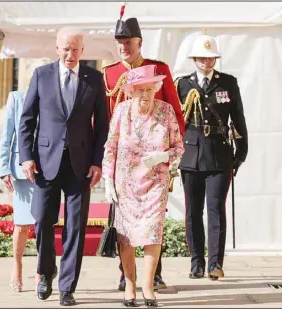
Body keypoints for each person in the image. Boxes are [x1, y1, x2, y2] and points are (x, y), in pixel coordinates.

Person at [19, 27, 109, 306]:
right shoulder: (41, 75)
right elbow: (26, 120)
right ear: (57, 48)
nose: (70, 54)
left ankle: (68, 286)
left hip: (80, 165)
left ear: (83, 50)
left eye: (75, 49)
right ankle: (46, 272)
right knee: (43, 221)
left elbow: (102, 125)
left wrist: (97, 162)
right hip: (45, 164)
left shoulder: (94, 79)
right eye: (65, 49)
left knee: (76, 227)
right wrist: (26, 157)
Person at [102, 10, 185, 291]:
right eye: (120, 42)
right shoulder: (110, 73)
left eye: (129, 42)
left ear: (140, 42)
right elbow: (105, 119)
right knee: (123, 224)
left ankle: (154, 275)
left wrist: (172, 158)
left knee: (153, 221)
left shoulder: (158, 68)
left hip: (155, 159)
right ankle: (125, 275)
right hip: (125, 161)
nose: (124, 47)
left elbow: (175, 112)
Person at [175, 33, 248, 281]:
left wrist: (241, 152)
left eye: (211, 58)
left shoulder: (228, 82)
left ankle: (215, 263)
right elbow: (176, 121)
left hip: (219, 153)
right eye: (202, 58)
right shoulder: (182, 85)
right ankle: (196, 262)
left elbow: (238, 118)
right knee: (193, 211)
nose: (207, 62)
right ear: (194, 59)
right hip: (191, 153)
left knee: (216, 209)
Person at [0, 58, 50, 293]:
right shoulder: (16, 99)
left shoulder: (53, 100)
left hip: (49, 169)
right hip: (21, 171)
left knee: (43, 224)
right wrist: (4, 168)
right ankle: (17, 265)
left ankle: (41, 271)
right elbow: (7, 136)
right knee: (22, 224)